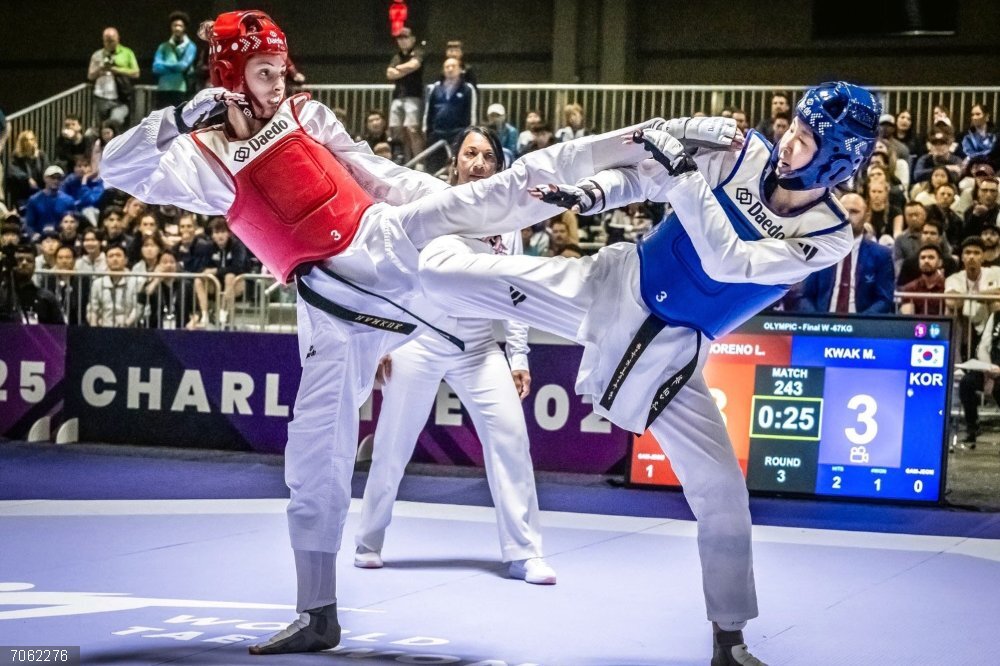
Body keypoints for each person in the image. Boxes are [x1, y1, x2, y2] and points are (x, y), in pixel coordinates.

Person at [99, 9, 655, 656]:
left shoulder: (305, 115)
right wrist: (174, 119)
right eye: (263, 71)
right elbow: (118, 169)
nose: (277, 83)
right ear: (228, 74)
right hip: (332, 309)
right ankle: (317, 612)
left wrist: (447, 208)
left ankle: (646, 158)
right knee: (315, 455)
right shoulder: (203, 158)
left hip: (380, 245)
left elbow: (377, 174)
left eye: (280, 69)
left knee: (489, 202)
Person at [419, 81, 881, 666]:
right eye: (792, 128)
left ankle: (730, 639)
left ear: (837, 159)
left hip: (673, 356)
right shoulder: (742, 153)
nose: (788, 142)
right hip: (613, 288)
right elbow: (646, 177)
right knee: (441, 273)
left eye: (806, 139)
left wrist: (685, 175)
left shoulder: (829, 236)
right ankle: (378, 269)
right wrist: (591, 194)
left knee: (722, 492)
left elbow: (730, 261)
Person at [355, 126, 555, 584]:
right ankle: (368, 540)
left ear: (498, 166)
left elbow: (515, 291)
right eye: (470, 153)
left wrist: (518, 357)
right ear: (455, 163)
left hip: (479, 348)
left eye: (487, 156)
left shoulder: (508, 220)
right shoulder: (429, 206)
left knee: (510, 438)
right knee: (392, 444)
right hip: (419, 340)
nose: (478, 163)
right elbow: (393, 275)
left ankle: (525, 552)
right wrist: (384, 341)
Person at [797, 193, 894, 314]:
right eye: (842, 210)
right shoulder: (819, 250)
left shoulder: (882, 255)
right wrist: (819, 321)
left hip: (862, 322)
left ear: (867, 216)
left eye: (854, 212)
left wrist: (858, 323)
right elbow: (805, 296)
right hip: (823, 321)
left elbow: (884, 299)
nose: (847, 216)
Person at [386, 26, 425, 161]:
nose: (402, 41)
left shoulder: (418, 52)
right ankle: (407, 161)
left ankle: (419, 162)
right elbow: (389, 74)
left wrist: (398, 68)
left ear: (412, 39)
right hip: (397, 96)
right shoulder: (397, 56)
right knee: (398, 130)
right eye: (400, 38)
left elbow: (414, 65)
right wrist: (406, 69)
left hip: (413, 96)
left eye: (405, 38)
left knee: (412, 129)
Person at [0, 243, 64, 325]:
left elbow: (59, 328)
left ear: (34, 267)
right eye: (19, 260)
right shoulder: (2, 295)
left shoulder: (46, 298)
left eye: (29, 261)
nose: (24, 263)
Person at [87, 27, 140, 126]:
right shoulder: (97, 55)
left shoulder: (127, 53)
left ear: (118, 39)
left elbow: (136, 73)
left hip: (121, 96)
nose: (109, 44)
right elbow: (90, 76)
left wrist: (116, 70)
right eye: (106, 41)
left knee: (116, 120)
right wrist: (100, 68)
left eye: (112, 41)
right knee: (101, 126)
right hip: (101, 96)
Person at [152, 11, 198, 109]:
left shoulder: (190, 46)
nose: (177, 28)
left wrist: (165, 65)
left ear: (184, 28)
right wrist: (175, 67)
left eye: (180, 25)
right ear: (171, 27)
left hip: (181, 89)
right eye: (174, 25)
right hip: (163, 88)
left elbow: (183, 66)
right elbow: (156, 67)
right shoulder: (163, 46)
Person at [24, 166, 75, 237]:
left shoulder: (68, 200)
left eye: (59, 178)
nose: (56, 181)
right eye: (52, 178)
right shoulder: (34, 200)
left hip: (61, 237)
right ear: (45, 178)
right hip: (40, 237)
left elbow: (73, 222)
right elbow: (29, 224)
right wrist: (34, 236)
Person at [898, 244, 946, 316]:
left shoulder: (947, 287)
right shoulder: (910, 288)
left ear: (940, 262)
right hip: (917, 323)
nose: (926, 261)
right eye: (922, 258)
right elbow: (908, 318)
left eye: (931, 257)